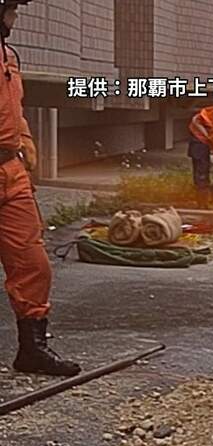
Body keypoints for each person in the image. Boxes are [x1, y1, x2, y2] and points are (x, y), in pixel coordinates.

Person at [0, 0, 80, 376]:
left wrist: (25, 137)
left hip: (9, 171)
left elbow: (13, 107)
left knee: (33, 264)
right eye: (11, 11)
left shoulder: (8, 57)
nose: (15, 19)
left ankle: (32, 349)